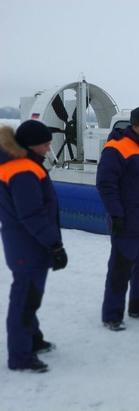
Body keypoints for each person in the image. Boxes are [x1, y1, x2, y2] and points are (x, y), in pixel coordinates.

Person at [0, 121, 68, 372]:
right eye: (45, 143)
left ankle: (33, 339)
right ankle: (20, 356)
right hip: (27, 246)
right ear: (31, 145)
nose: (49, 146)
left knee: (31, 296)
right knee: (25, 299)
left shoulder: (24, 165)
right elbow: (32, 214)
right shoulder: (23, 170)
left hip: (27, 244)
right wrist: (55, 245)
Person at [97, 106, 139, 331]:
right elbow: (106, 185)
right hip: (126, 222)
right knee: (120, 269)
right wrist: (116, 213)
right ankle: (112, 315)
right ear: (134, 126)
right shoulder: (116, 148)